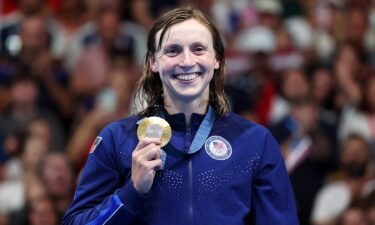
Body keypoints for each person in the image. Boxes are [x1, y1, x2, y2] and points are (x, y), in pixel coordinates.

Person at [62, 7, 299, 225]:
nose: (187, 61)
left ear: (216, 59)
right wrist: (132, 191)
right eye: (173, 50)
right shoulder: (118, 139)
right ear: (154, 62)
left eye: (198, 49)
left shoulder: (255, 142)